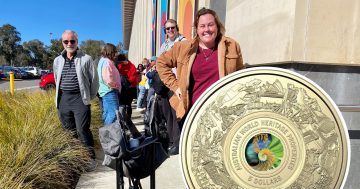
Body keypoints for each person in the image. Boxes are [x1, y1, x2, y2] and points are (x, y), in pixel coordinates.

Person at [157, 7, 245, 124]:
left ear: (217, 26)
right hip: (193, 113)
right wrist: (175, 86)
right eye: (202, 26)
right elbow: (161, 63)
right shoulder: (183, 47)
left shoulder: (232, 46)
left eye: (210, 25)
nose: (207, 30)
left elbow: (240, 75)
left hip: (223, 114)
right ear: (197, 29)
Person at [53, 30, 99, 171]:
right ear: (62, 43)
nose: (69, 44)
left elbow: (94, 81)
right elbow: (56, 78)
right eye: (66, 41)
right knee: (69, 131)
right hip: (64, 99)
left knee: (82, 129)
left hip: (80, 99)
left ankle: (90, 159)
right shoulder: (57, 60)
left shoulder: (86, 58)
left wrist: (88, 97)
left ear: (77, 42)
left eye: (72, 41)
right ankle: (75, 158)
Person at [97, 43, 121, 126]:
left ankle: (106, 135)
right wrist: (116, 86)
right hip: (110, 91)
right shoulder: (107, 62)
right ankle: (108, 134)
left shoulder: (102, 61)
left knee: (107, 113)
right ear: (111, 51)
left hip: (106, 91)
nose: (116, 54)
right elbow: (107, 78)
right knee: (113, 114)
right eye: (115, 52)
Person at [116, 54, 138, 118]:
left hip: (130, 88)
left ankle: (129, 118)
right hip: (122, 88)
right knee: (122, 105)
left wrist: (127, 81)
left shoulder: (132, 66)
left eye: (123, 62)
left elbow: (133, 77)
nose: (122, 63)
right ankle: (123, 118)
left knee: (128, 105)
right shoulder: (119, 66)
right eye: (121, 62)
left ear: (126, 60)